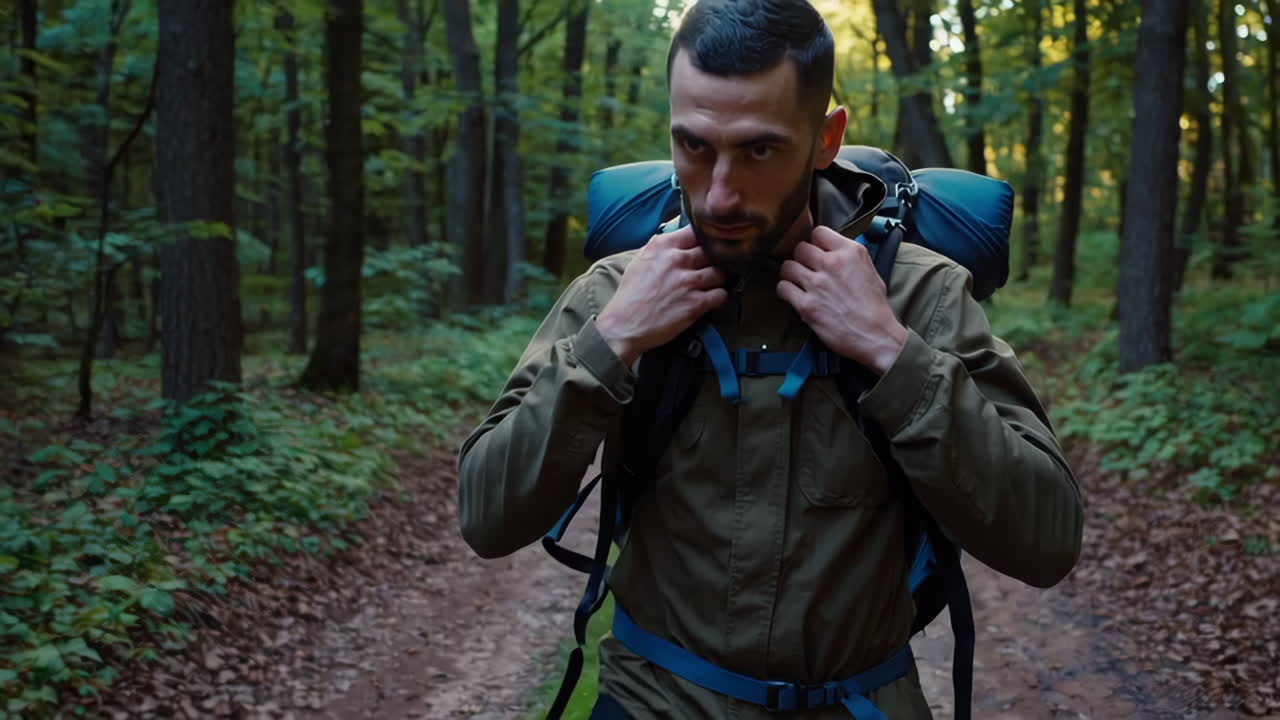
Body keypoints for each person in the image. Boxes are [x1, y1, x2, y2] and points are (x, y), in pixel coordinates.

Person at [456, 0, 1084, 717]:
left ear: (825, 138)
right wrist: (614, 340)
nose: (719, 194)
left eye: (758, 150)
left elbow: (1048, 540)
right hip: (656, 699)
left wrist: (891, 351)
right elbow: (486, 515)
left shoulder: (920, 294)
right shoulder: (619, 290)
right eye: (693, 147)